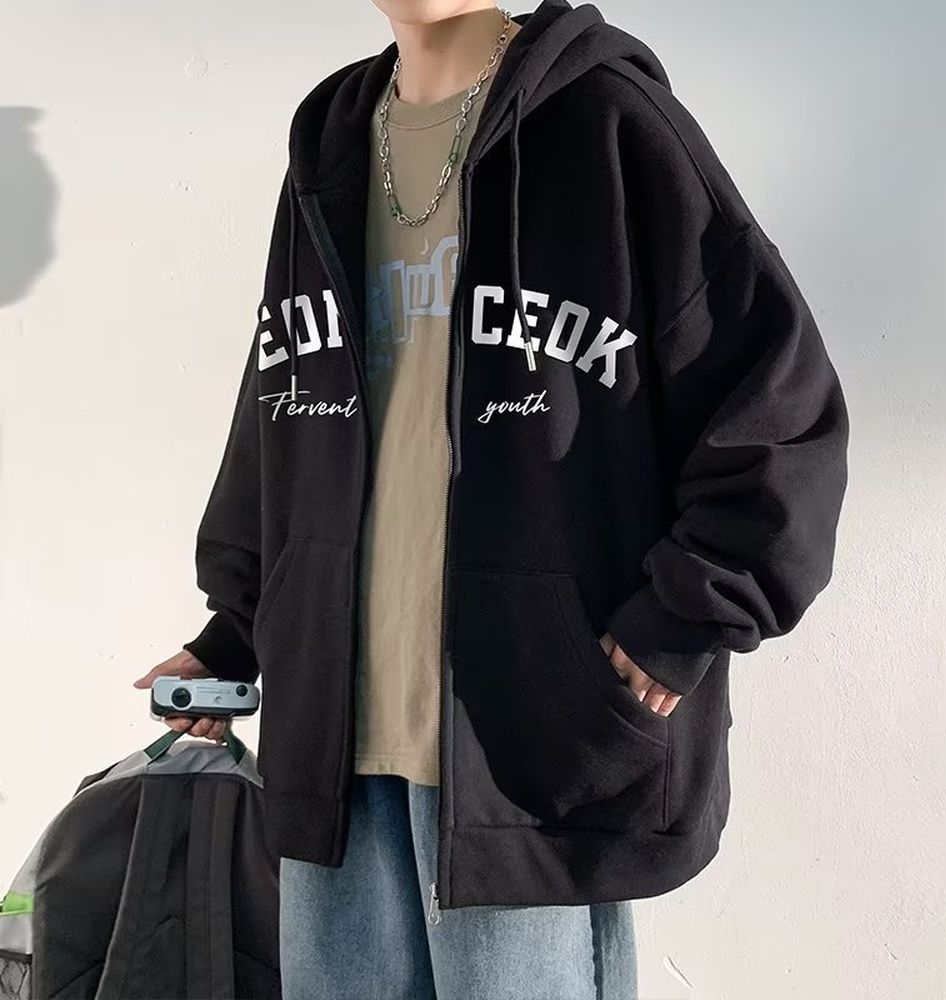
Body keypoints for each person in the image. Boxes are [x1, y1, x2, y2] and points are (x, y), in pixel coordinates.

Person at [134, 0, 850, 996]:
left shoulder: (606, 120)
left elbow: (779, 401)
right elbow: (288, 397)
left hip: (527, 744)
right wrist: (239, 628)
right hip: (335, 738)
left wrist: (684, 616)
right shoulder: (331, 140)